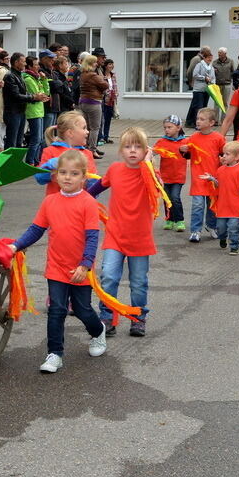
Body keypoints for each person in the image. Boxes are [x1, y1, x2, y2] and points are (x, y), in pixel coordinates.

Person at [8, 149, 106, 374]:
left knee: (82, 310)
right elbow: (36, 230)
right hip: (56, 267)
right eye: (63, 172)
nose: (67, 177)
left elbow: (92, 237)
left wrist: (86, 265)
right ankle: (55, 354)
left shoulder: (88, 202)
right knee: (57, 309)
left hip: (80, 267)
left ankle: (98, 330)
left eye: (74, 173)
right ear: (55, 175)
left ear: (83, 177)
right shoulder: (50, 202)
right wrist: (16, 245)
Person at [88, 128, 156, 338]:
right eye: (128, 147)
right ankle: (106, 318)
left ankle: (138, 318)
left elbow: (156, 189)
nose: (133, 151)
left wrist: (149, 164)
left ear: (146, 151)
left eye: (138, 147)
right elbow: (95, 190)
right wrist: (76, 200)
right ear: (120, 150)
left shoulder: (149, 173)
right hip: (115, 235)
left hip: (140, 238)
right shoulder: (115, 170)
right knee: (108, 276)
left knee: (138, 282)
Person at [181, 108, 224, 242]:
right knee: (198, 205)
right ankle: (195, 230)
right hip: (198, 178)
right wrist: (183, 150)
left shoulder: (219, 138)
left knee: (212, 205)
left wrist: (225, 160)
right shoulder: (193, 138)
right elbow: (186, 154)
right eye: (198, 118)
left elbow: (224, 154)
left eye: (202, 119)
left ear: (211, 123)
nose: (198, 121)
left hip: (213, 178)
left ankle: (211, 226)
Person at [35, 110, 96, 196]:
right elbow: (40, 179)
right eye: (84, 128)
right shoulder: (50, 151)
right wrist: (48, 167)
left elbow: (92, 182)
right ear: (70, 133)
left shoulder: (87, 154)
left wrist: (94, 184)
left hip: (79, 205)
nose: (87, 131)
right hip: (56, 205)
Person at [202, 141, 239, 254]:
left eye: (227, 154)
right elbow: (218, 184)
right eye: (223, 154)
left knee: (233, 227)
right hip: (222, 205)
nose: (223, 156)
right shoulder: (220, 170)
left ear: (236, 157)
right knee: (221, 227)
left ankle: (234, 246)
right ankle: (223, 237)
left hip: (236, 205)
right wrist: (211, 179)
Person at [154, 115, 189, 232]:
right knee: (167, 198)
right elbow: (152, 153)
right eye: (165, 128)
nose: (166, 130)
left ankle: (180, 221)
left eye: (169, 127)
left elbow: (193, 154)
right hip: (165, 177)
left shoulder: (185, 142)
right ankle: (169, 219)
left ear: (178, 127)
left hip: (179, 176)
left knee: (175, 197)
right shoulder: (162, 141)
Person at [3, 52, 44, 150]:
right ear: (16, 62)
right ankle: (7, 164)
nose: (25, 64)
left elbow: (23, 93)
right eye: (23, 61)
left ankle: (15, 163)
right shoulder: (10, 76)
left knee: (18, 141)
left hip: (20, 111)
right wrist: (33, 97)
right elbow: (16, 96)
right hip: (13, 112)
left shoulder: (19, 75)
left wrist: (34, 96)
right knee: (11, 142)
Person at [78, 54, 108, 157]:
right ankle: (92, 150)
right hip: (93, 102)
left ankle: (86, 147)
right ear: (91, 64)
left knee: (87, 127)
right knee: (95, 127)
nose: (96, 64)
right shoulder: (93, 75)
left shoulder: (83, 74)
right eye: (95, 62)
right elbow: (105, 85)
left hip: (83, 101)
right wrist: (103, 79)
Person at [23, 55, 49, 165]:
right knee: (36, 138)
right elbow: (37, 94)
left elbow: (45, 93)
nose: (38, 67)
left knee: (40, 138)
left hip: (39, 110)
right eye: (35, 65)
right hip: (33, 111)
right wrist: (41, 92)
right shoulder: (28, 79)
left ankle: (35, 159)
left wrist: (44, 79)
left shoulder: (36, 77)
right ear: (29, 66)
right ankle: (30, 161)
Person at [187, 49, 215, 129]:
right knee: (198, 107)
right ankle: (197, 124)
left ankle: (202, 124)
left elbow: (213, 77)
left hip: (207, 89)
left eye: (211, 58)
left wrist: (213, 83)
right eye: (209, 58)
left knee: (204, 107)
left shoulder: (211, 67)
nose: (210, 59)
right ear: (205, 58)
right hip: (198, 90)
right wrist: (204, 78)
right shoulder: (199, 65)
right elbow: (195, 75)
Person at [99, 58, 119, 145]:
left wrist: (116, 93)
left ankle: (106, 137)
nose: (112, 66)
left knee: (108, 119)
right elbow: (102, 87)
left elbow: (115, 86)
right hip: (104, 99)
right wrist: (107, 93)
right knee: (102, 119)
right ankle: (101, 137)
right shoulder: (102, 75)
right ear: (106, 66)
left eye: (112, 64)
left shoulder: (113, 75)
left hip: (111, 100)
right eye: (110, 64)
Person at [213, 48, 235, 124]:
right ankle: (215, 120)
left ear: (225, 54)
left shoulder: (230, 61)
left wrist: (233, 83)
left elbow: (233, 72)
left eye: (221, 53)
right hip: (217, 84)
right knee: (217, 103)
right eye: (218, 53)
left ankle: (223, 120)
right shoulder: (215, 62)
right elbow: (211, 73)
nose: (219, 54)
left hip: (227, 84)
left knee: (225, 103)